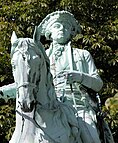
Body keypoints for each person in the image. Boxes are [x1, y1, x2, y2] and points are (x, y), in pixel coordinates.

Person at [37, 10, 108, 143]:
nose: (62, 29)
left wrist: (79, 76)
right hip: (50, 107)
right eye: (57, 25)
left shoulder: (82, 54)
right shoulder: (42, 58)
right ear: (49, 33)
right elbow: (30, 84)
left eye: (66, 26)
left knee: (91, 139)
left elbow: (98, 84)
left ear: (71, 32)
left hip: (78, 107)